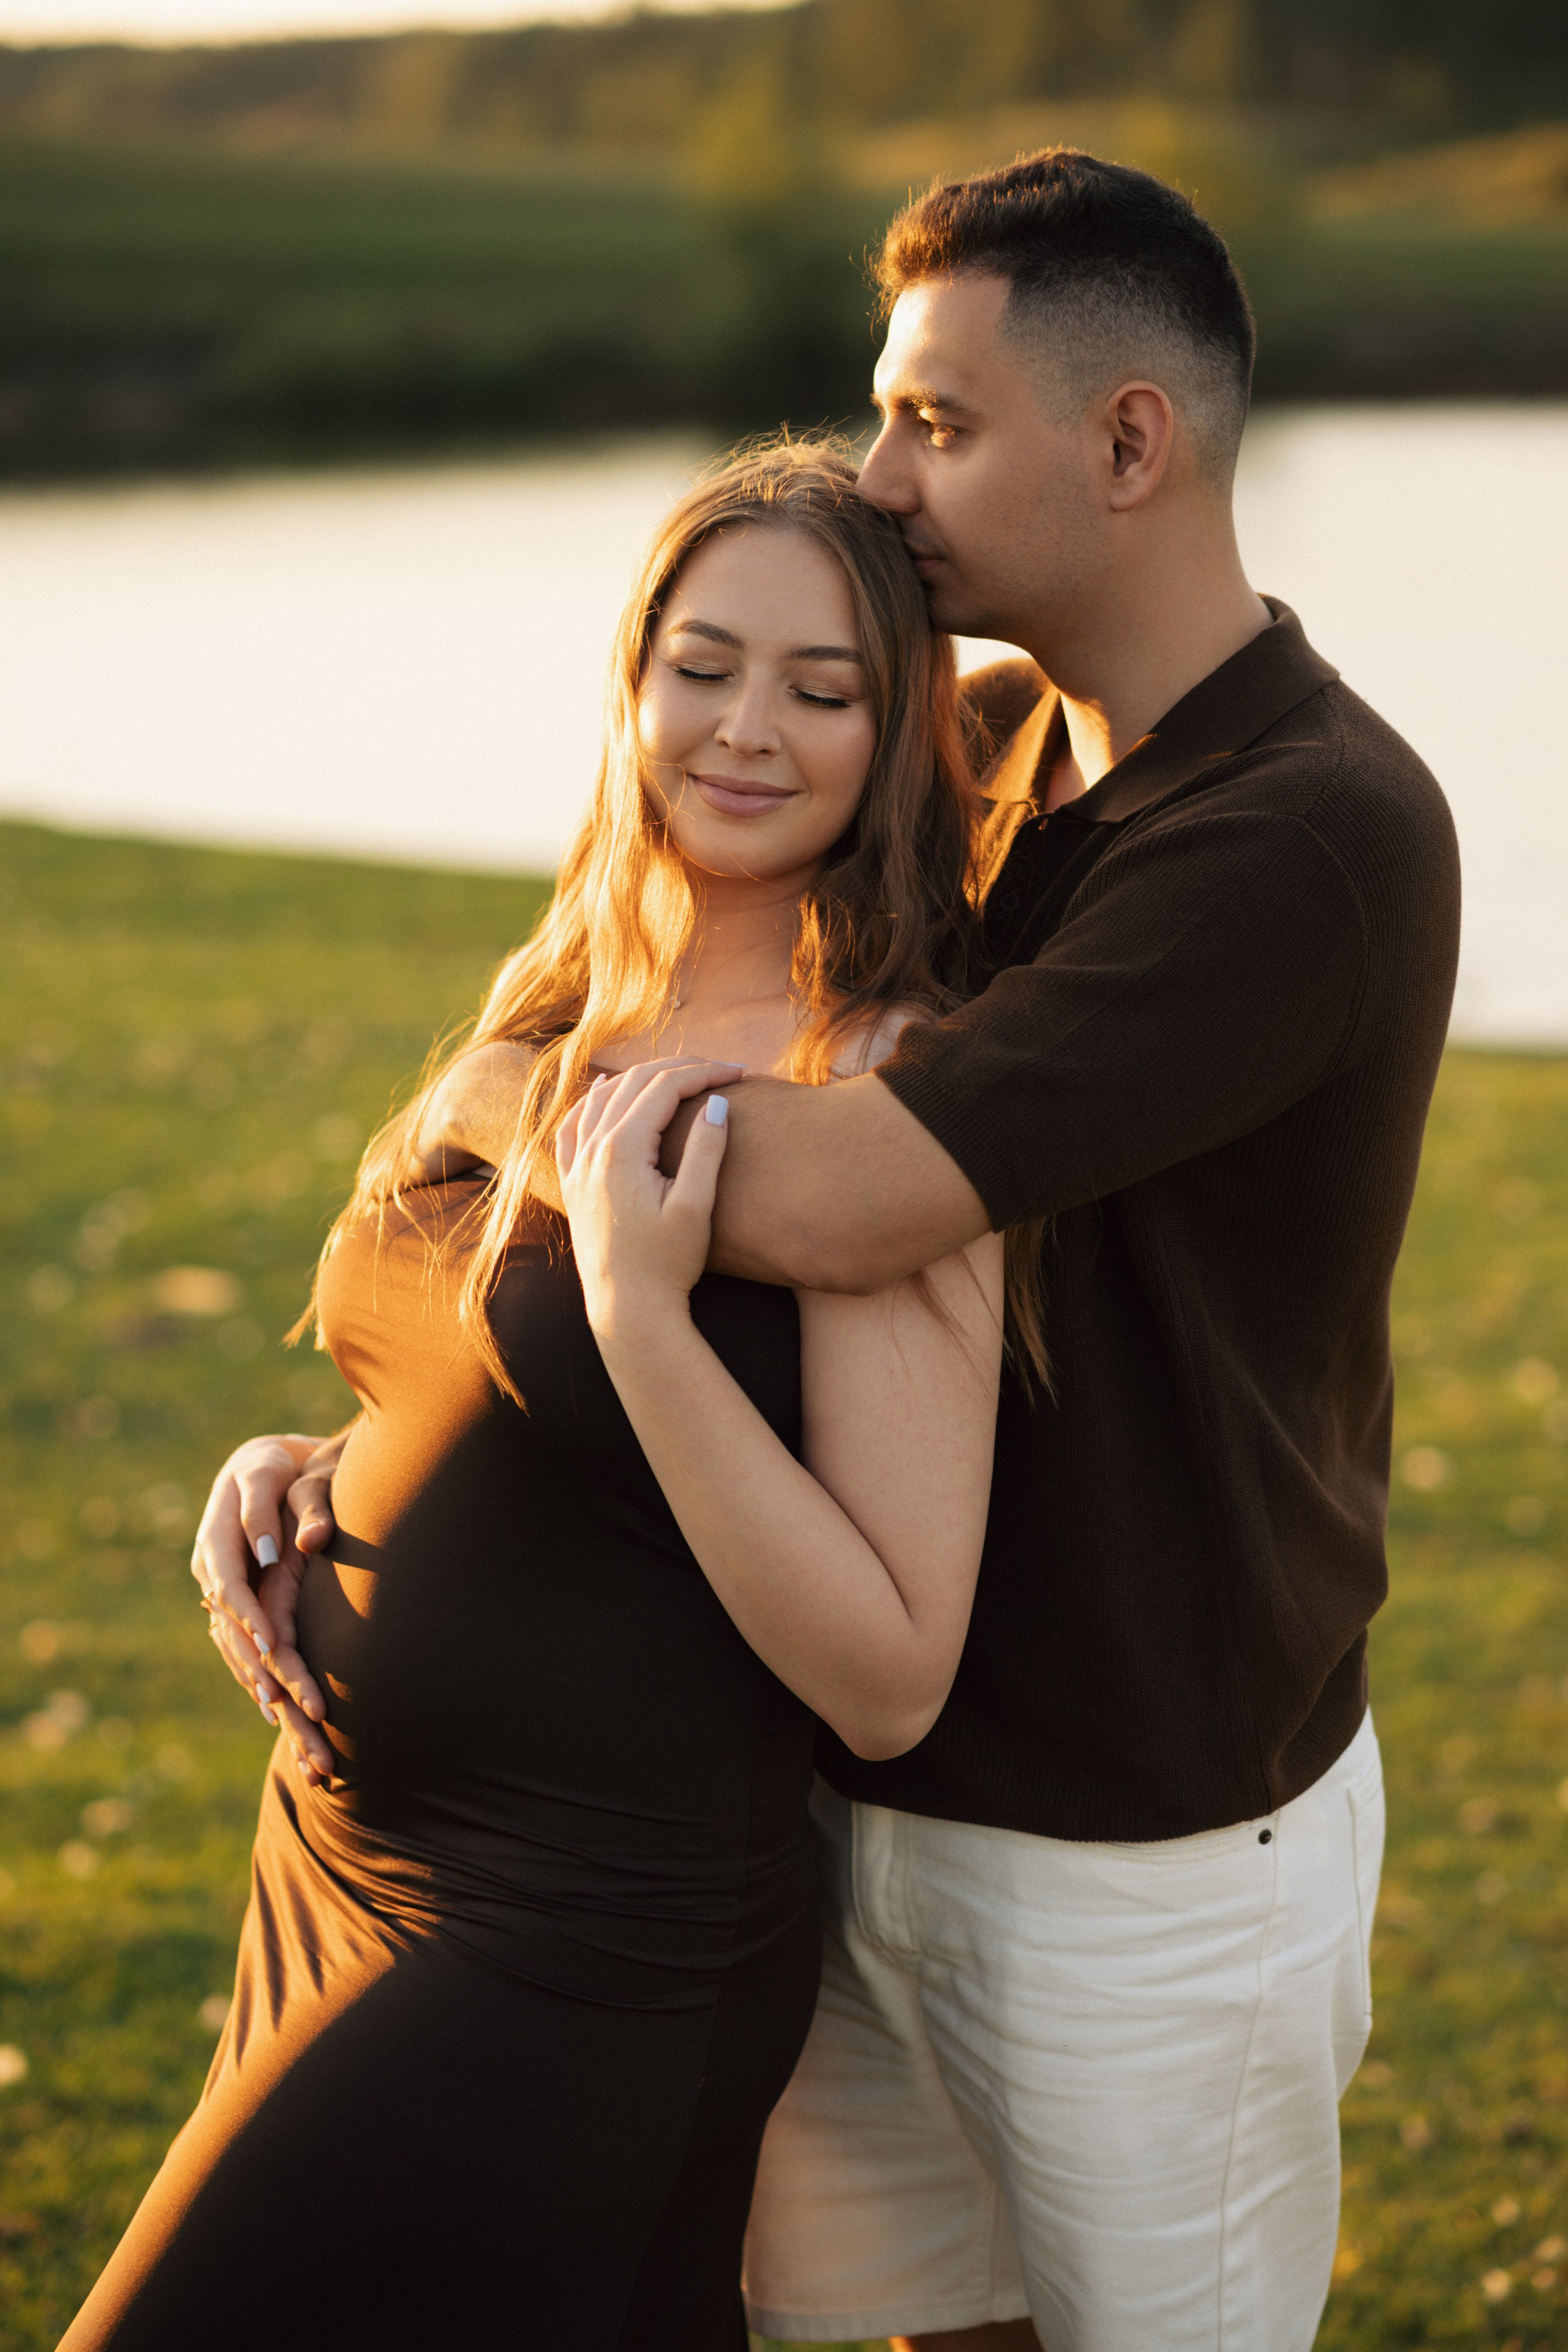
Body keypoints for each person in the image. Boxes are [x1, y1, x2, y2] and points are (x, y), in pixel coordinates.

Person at [197, 153, 1461, 2352]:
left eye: (935, 426)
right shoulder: (965, 747)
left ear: (1131, 444)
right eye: (884, 418)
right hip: (832, 1789)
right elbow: (669, 1057)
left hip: (1135, 1841)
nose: (880, 484)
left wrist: (496, 1103)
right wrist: (396, 1429)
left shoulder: (1309, 835)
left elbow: (829, 1187)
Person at [62, 439, 1009, 2352]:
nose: (745, 729)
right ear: (632, 680)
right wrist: (310, 1462)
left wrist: (645, 1317)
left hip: (583, 1932)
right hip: (337, 1857)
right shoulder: (566, 994)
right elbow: (490, 1379)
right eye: (703, 664)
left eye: (823, 690)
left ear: (898, 733)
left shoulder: (884, 1089)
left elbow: (894, 1670)